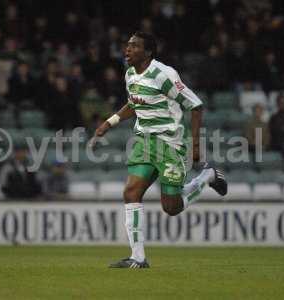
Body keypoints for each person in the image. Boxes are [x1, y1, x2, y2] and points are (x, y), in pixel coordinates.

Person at [92, 32, 227, 268]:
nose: (127, 50)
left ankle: (206, 177)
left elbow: (195, 105)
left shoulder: (163, 74)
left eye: (134, 46)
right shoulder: (131, 74)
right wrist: (109, 122)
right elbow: (135, 103)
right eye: (127, 46)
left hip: (169, 144)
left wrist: (196, 144)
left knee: (171, 207)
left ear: (148, 52)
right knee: (131, 192)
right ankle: (138, 257)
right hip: (144, 142)